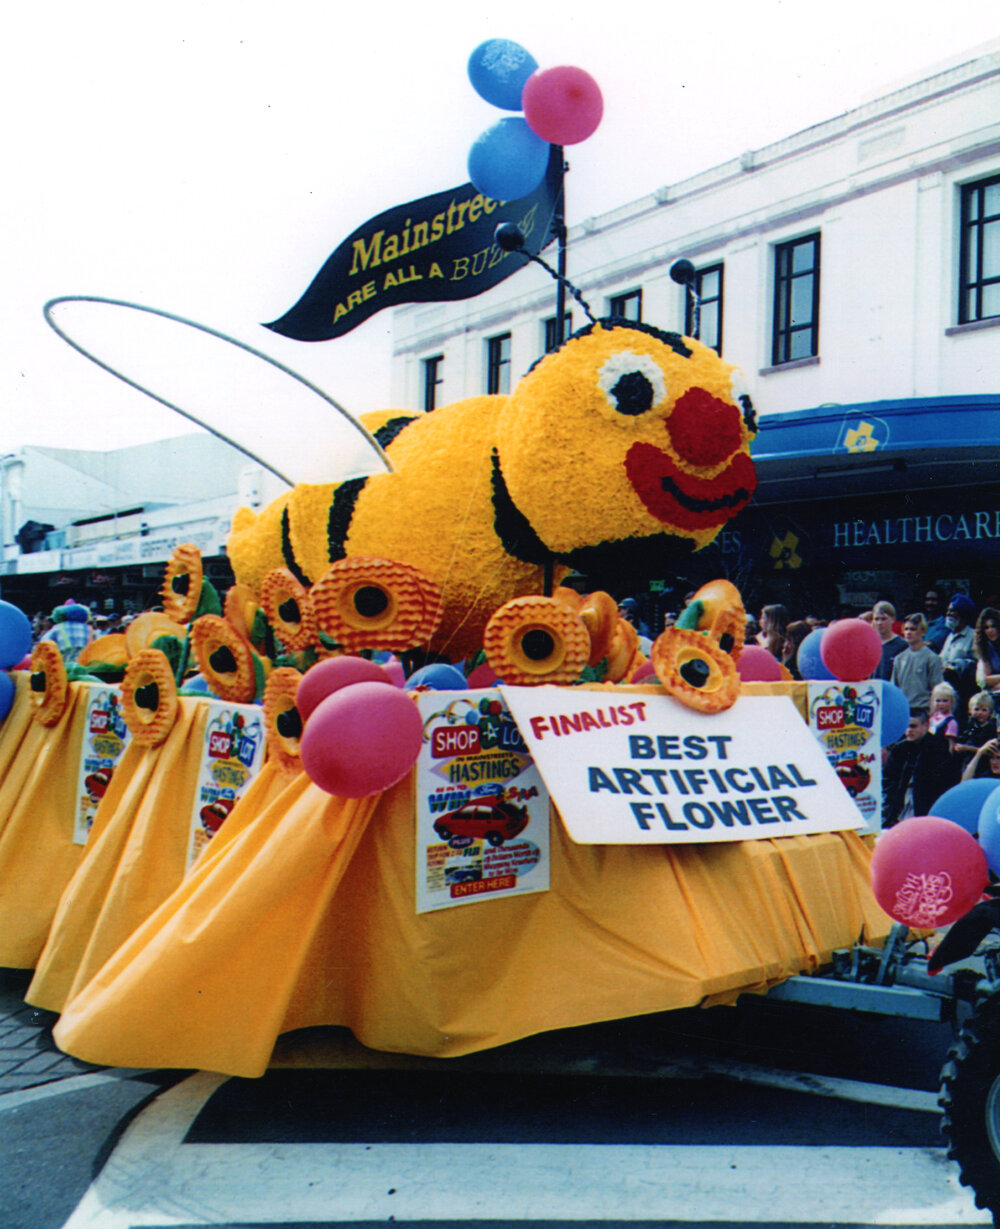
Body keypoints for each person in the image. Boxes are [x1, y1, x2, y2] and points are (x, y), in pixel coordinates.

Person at [883, 708, 959, 826]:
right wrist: (889, 808)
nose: (909, 730)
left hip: (927, 807)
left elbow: (946, 783)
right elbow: (888, 781)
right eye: (906, 726)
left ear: (926, 725)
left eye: (913, 726)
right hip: (900, 806)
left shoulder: (939, 748)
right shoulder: (899, 750)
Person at [891, 613, 945, 710]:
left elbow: (937, 689)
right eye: (906, 629)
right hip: (903, 708)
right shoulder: (899, 659)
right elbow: (894, 688)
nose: (908, 632)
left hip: (923, 709)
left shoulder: (932, 658)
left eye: (913, 629)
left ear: (923, 631)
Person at [939, 594, 978, 708]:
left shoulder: (973, 636)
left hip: (964, 694)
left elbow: (977, 663)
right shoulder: (949, 636)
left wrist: (956, 667)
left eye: (952, 611)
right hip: (946, 693)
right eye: (948, 611)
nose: (948, 614)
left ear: (963, 614)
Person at [953, 691, 998, 770]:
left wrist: (967, 748)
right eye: (976, 709)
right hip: (968, 761)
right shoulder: (971, 725)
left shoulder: (990, 728)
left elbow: (988, 751)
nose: (980, 713)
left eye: (984, 710)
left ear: (990, 712)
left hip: (983, 764)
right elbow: (964, 738)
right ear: (970, 711)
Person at [40, 600, 92, 664]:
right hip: (86, 663)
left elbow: (44, 643)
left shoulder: (58, 627)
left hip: (65, 663)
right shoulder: (89, 628)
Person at [870, 600, 907, 681]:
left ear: (893, 619)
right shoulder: (869, 644)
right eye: (876, 619)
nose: (879, 623)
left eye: (883, 619)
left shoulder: (902, 645)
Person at [974, 607, 1000, 701]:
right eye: (986, 627)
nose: (990, 630)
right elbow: (984, 680)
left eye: (993, 626)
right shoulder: (985, 648)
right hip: (993, 694)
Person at [923, 587, 949, 652]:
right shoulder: (920, 622)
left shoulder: (945, 624)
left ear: (941, 602)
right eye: (927, 600)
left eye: (934, 600)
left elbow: (929, 645)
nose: (930, 603)